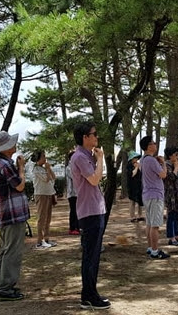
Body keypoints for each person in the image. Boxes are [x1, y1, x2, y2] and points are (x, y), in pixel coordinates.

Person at [69, 121, 110, 310]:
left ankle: (90, 293)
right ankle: (89, 295)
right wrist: (101, 158)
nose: (96, 137)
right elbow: (94, 179)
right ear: (85, 137)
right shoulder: (79, 157)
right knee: (90, 255)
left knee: (93, 255)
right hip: (89, 211)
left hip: (95, 209)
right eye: (94, 134)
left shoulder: (86, 155)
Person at [0, 130, 29, 301]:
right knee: (12, 250)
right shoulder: (5, 165)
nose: (15, 145)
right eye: (12, 144)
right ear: (6, 148)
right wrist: (21, 168)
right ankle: (5, 288)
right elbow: (20, 186)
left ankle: (1, 284)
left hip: (4, 213)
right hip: (12, 214)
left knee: (5, 249)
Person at [140, 135, 170, 259]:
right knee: (155, 225)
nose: (155, 145)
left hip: (147, 194)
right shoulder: (151, 160)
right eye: (153, 143)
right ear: (148, 146)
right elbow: (163, 175)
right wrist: (163, 163)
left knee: (149, 223)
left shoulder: (143, 160)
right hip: (155, 195)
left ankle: (150, 247)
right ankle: (155, 250)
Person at [32, 150, 57, 249]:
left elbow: (53, 177)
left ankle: (46, 238)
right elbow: (46, 179)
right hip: (41, 194)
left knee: (48, 218)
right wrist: (47, 170)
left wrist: (49, 169)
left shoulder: (44, 168)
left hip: (49, 194)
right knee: (42, 218)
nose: (45, 158)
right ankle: (40, 240)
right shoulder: (36, 169)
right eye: (43, 156)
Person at [164, 146, 178, 246]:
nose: (177, 156)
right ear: (170, 156)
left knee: (177, 214)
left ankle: (177, 235)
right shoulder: (166, 165)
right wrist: (176, 167)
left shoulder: (177, 164)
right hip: (170, 193)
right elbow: (171, 177)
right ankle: (171, 237)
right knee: (171, 215)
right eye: (175, 154)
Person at [126, 151, 144, 223]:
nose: (136, 159)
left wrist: (139, 167)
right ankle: (132, 216)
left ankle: (140, 215)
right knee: (132, 201)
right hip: (132, 186)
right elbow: (132, 174)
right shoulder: (129, 166)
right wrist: (136, 168)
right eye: (135, 158)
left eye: (137, 158)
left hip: (139, 185)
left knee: (140, 201)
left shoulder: (138, 164)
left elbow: (141, 174)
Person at [65, 151, 80, 235]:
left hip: (78, 193)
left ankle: (77, 227)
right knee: (73, 210)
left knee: (78, 210)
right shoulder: (69, 167)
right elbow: (75, 176)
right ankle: (72, 227)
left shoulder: (75, 166)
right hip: (72, 193)